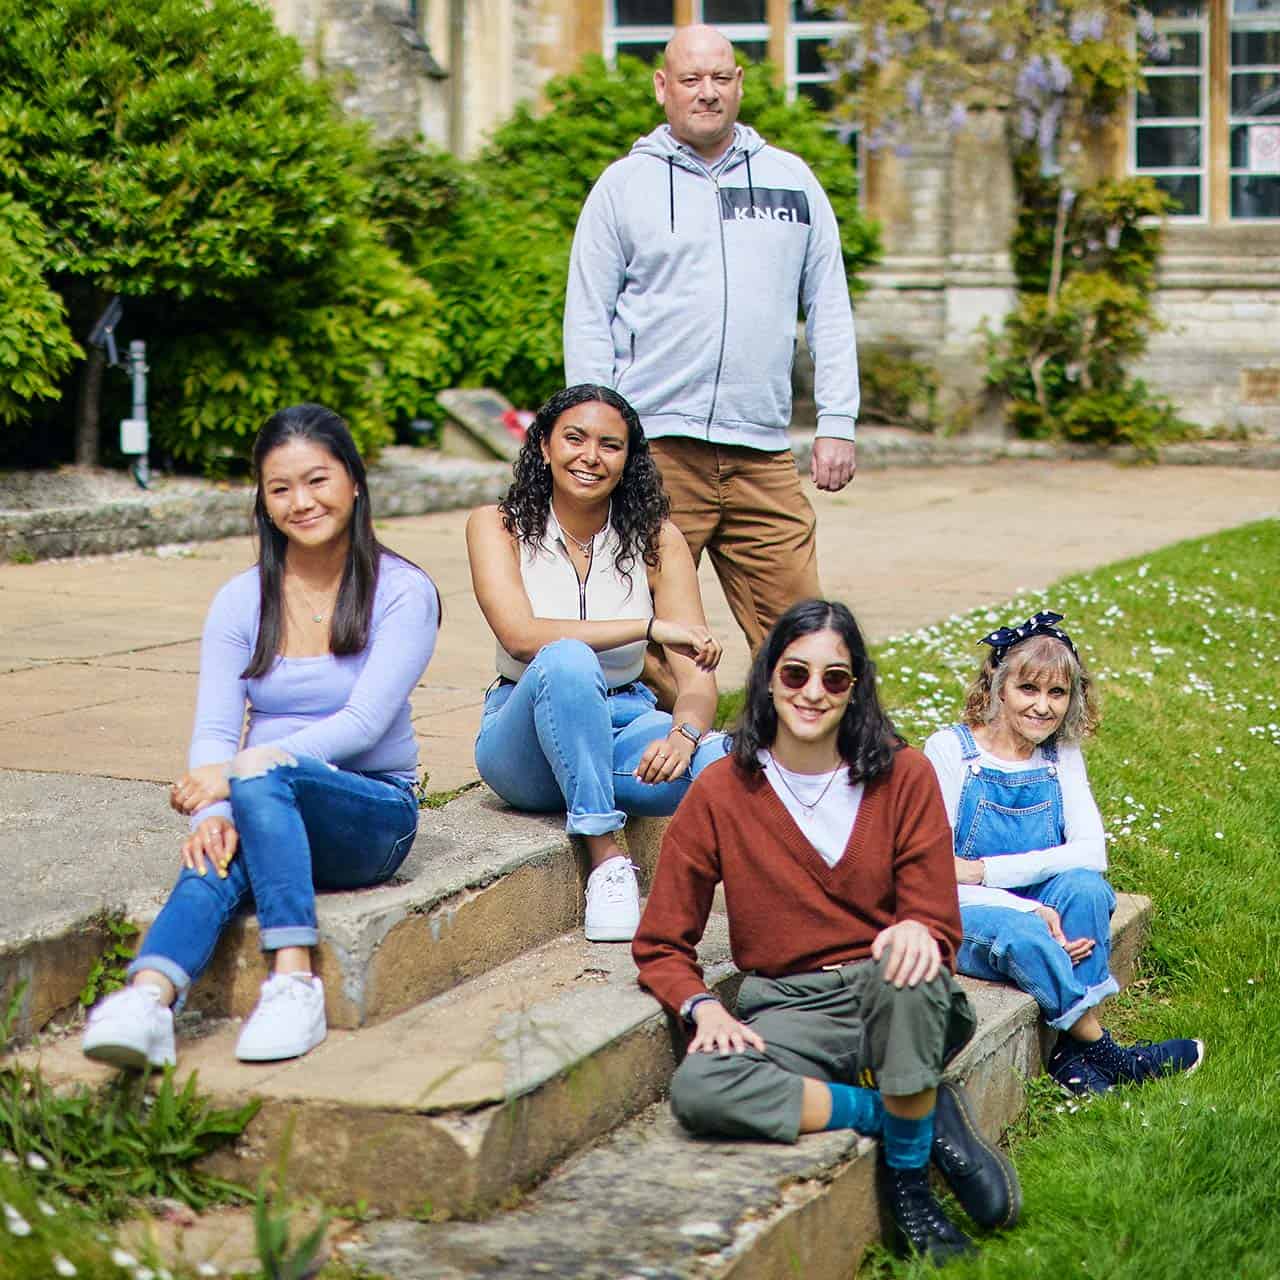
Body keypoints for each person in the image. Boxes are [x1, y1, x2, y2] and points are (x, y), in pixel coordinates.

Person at [633, 600, 1020, 1265]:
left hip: (894, 993)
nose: (813, 693)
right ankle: (909, 1114)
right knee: (699, 1089)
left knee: (911, 971)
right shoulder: (722, 790)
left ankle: (908, 1191)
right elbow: (663, 941)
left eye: (834, 679)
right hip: (789, 1007)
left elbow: (936, 919)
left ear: (856, 686)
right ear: (768, 679)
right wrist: (698, 1005)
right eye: (795, 674)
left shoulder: (904, 776)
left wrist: (918, 934)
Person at [82, 404, 440, 1069]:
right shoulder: (240, 599)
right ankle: (150, 998)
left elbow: (363, 724)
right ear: (264, 500)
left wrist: (244, 773)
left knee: (255, 779)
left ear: (354, 482)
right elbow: (216, 729)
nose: (300, 503)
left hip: (369, 813)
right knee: (216, 851)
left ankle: (293, 980)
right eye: (280, 489)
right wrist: (217, 812)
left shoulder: (403, 592)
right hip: (259, 798)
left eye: (317, 481)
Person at [563, 24, 859, 702]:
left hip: (760, 454)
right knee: (647, 635)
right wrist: (596, 437)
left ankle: (794, 772)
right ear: (662, 87)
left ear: (739, 85)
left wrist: (838, 417)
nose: (707, 92)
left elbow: (830, 305)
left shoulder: (792, 180)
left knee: (801, 640)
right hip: (658, 450)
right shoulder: (623, 187)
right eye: (691, 79)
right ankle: (671, 765)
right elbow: (588, 315)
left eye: (720, 78)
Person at [467, 384, 730, 943]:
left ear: (628, 459)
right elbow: (520, 638)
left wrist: (684, 735)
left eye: (610, 445)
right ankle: (606, 857)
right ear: (542, 445)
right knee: (565, 660)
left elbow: (697, 679)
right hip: (524, 740)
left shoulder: (659, 540)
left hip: (624, 726)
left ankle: (800, 896)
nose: (591, 456)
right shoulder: (498, 525)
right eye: (575, 438)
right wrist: (648, 627)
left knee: (730, 760)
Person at [923, 610, 1205, 1097]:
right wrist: (1032, 907)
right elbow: (937, 874)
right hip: (961, 912)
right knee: (1026, 931)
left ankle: (1070, 1058)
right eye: (1027, 690)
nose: (1042, 707)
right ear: (997, 687)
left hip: (1001, 888)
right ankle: (1105, 1051)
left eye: (1057, 693)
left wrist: (987, 870)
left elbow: (1091, 853)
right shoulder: (953, 751)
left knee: (1087, 890)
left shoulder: (1059, 754)